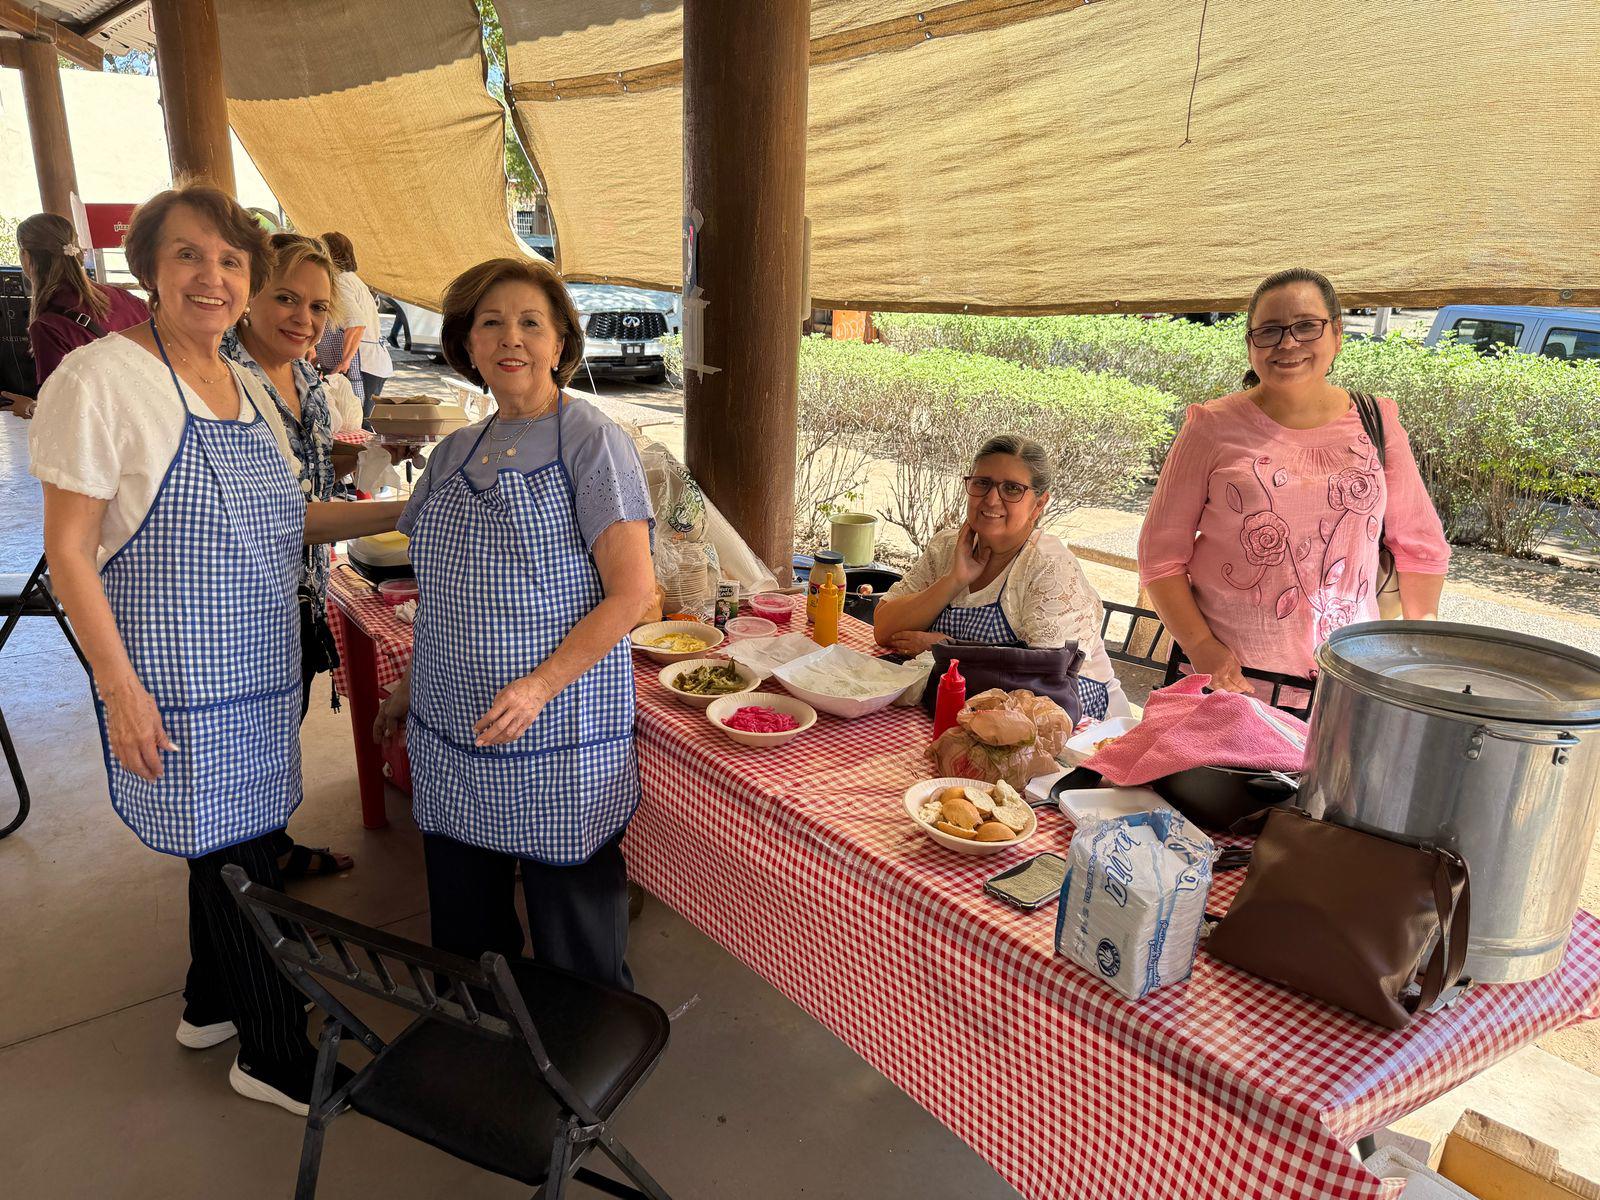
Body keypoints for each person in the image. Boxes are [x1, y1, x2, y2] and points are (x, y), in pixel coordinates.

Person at [29, 183, 407, 1113]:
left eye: (231, 261)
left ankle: (207, 1006)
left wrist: (407, 508)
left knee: (226, 847)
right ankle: (274, 1054)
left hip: (258, 666)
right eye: (189, 255)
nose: (213, 276)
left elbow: (290, 518)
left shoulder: (239, 381)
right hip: (178, 680)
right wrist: (119, 691)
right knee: (239, 858)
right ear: (147, 269)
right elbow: (67, 551)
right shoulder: (102, 377)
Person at [372, 256, 655, 989]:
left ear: (562, 342)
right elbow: (442, 586)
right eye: (490, 322)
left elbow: (633, 596)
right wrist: (406, 687)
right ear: (465, 344)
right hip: (452, 723)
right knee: (468, 926)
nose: (511, 338)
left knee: (573, 927)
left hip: (556, 730)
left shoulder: (592, 439)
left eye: (532, 322)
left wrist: (538, 686)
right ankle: (487, 1043)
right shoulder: (456, 450)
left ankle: (583, 1069)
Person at [1138, 267, 1449, 694]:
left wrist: (1418, 654)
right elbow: (1160, 557)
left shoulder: (1378, 422)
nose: (1288, 343)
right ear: (1250, 345)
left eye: (1306, 326)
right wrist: (1201, 645)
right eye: (1269, 331)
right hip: (1231, 682)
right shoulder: (1210, 426)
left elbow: (1420, 548)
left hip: (1344, 682)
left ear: (1337, 334)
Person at [223, 232, 369, 877]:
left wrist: (355, 456)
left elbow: (303, 473)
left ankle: (275, 852)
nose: (303, 319)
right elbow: (281, 516)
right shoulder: (222, 380)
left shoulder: (306, 376)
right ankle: (250, 924)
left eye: (316, 307)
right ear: (249, 294)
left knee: (280, 737)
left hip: (302, 591)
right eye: (285, 298)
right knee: (243, 763)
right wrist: (411, 509)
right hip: (242, 607)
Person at [873, 434, 1130, 721]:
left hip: (1073, 725)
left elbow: (1045, 678)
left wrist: (942, 648)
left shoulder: (1047, 566)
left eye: (1012, 489)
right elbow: (884, 629)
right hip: (965, 711)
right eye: (982, 483)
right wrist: (954, 579)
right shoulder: (947, 548)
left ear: (1038, 504)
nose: (992, 499)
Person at [2, 213, 149, 416]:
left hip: (112, 432)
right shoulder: (123, 297)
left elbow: (64, 409)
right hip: (153, 419)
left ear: (26, 257)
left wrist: (29, 407)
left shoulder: (49, 326)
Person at [321, 231, 393, 421]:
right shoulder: (352, 280)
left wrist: (345, 362)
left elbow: (356, 324)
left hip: (363, 365)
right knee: (359, 420)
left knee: (357, 421)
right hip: (373, 363)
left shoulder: (342, 282)